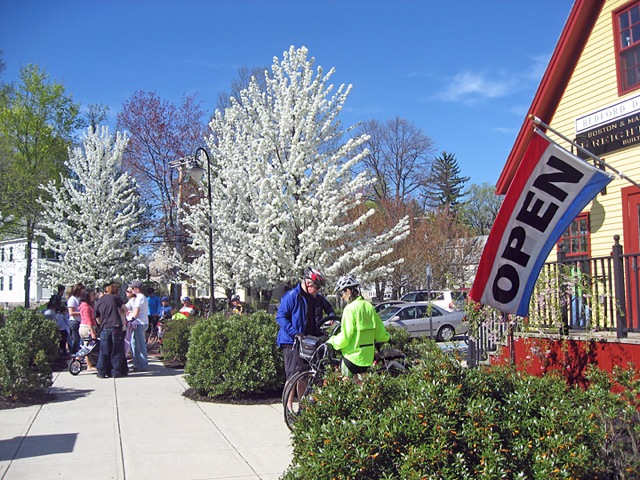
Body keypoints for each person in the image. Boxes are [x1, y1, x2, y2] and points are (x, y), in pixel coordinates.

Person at [328, 274, 390, 384]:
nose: (342, 297)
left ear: (348, 291)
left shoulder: (349, 309)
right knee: (363, 391)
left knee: (344, 388)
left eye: (341, 293)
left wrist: (332, 341)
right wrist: (388, 337)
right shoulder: (369, 307)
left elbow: (345, 337)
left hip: (351, 358)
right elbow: (380, 334)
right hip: (366, 359)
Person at [276, 267, 334, 380]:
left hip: (309, 340)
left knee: (306, 374)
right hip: (292, 341)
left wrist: (331, 316)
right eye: (317, 287)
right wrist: (295, 333)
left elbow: (329, 308)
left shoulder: (317, 298)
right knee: (293, 375)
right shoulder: (292, 296)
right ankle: (288, 398)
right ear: (308, 283)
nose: (318, 290)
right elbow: (280, 317)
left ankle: (303, 398)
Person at [94, 282, 128, 378]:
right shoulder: (115, 298)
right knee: (116, 350)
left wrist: (102, 323)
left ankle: (101, 371)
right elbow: (125, 309)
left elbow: (97, 318)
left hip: (104, 327)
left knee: (104, 350)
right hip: (115, 326)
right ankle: (115, 372)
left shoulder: (99, 302)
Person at [128, 280, 149, 372]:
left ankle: (143, 364)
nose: (131, 290)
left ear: (137, 289)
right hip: (139, 323)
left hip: (139, 323)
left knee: (139, 345)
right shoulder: (139, 298)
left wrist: (130, 316)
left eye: (132, 288)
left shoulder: (139, 298)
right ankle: (136, 363)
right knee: (134, 344)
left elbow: (136, 313)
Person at [78, 290, 98, 370]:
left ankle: (78, 360)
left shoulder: (86, 305)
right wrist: (92, 332)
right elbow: (88, 320)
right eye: (92, 295)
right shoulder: (86, 307)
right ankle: (89, 365)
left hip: (85, 326)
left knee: (86, 346)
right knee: (88, 347)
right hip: (86, 327)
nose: (93, 297)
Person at [66, 283, 84, 355]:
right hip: (75, 321)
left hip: (80, 321)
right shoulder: (72, 299)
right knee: (76, 340)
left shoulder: (79, 298)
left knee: (80, 340)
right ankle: (73, 354)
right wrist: (82, 313)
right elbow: (71, 312)